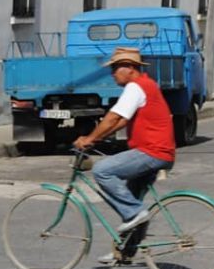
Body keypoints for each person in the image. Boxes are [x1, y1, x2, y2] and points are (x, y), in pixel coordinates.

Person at [74, 47, 176, 257]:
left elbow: (113, 117)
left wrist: (89, 139)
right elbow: (122, 120)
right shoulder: (145, 85)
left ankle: (136, 214)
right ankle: (125, 251)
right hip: (159, 152)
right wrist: (98, 138)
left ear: (129, 68)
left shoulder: (136, 87)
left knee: (103, 170)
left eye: (115, 69)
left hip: (151, 152)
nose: (112, 74)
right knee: (131, 196)